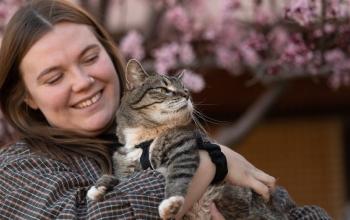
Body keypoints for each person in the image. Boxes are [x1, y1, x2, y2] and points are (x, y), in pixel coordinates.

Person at [0, 0, 330, 219]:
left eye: (90, 58)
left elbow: (284, 208)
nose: (83, 81)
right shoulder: (17, 170)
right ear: (25, 96)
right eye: (54, 77)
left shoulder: (165, 126)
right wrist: (206, 162)